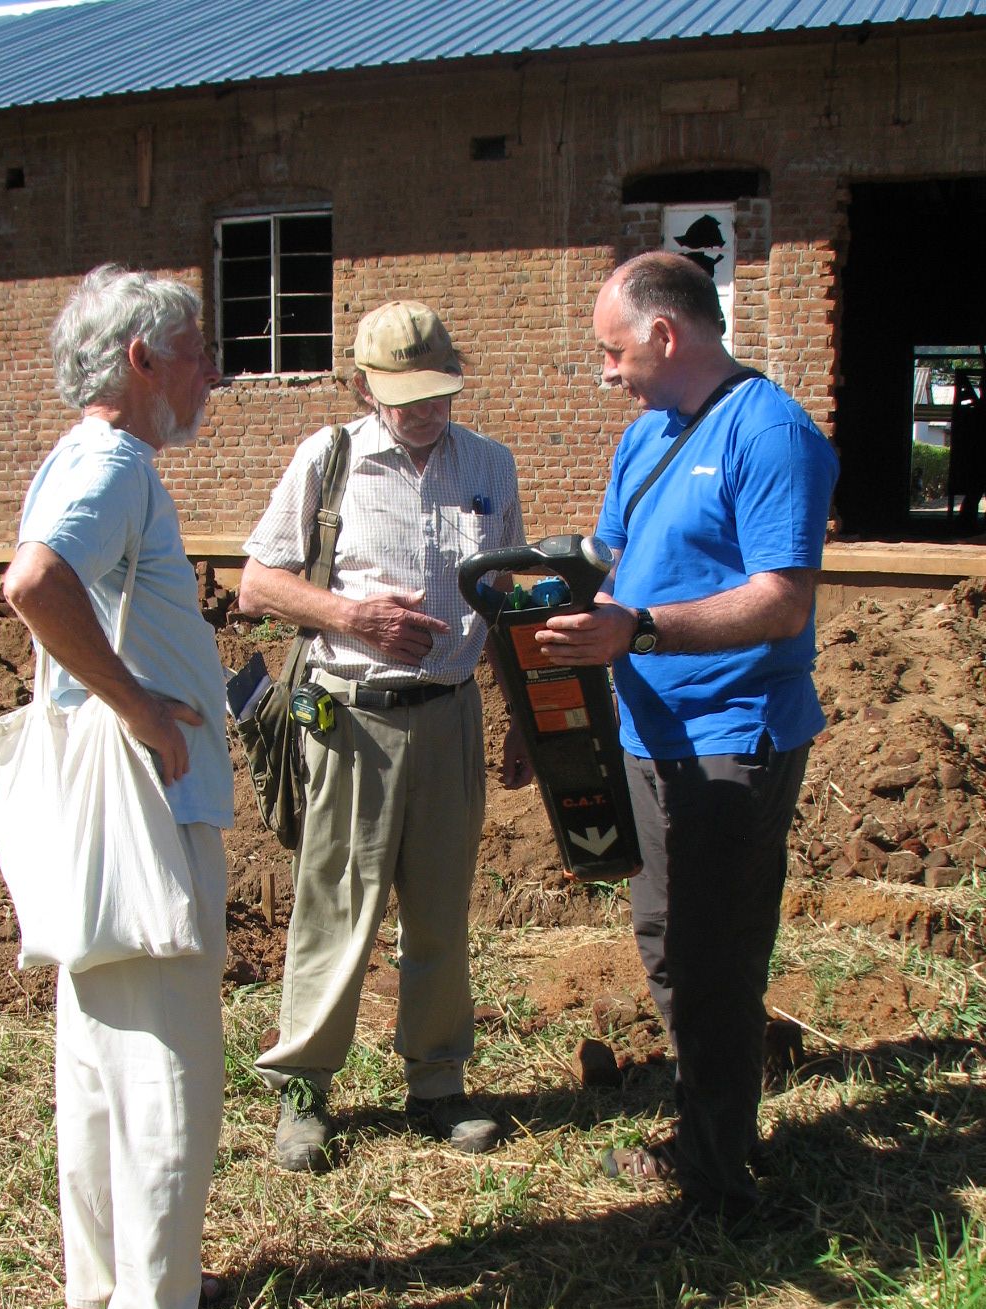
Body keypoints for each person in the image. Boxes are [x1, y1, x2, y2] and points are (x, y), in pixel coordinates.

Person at [2, 265, 278, 1309]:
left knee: (100, 1054)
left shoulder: (76, 457)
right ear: (142, 361)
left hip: (92, 807)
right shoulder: (115, 462)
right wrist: (140, 705)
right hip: (140, 801)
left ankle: (103, 1283)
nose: (213, 371)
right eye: (200, 350)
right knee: (167, 1070)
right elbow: (37, 583)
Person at [537, 252, 838, 1226]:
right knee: (666, 940)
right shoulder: (646, 436)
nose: (608, 369)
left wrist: (645, 629)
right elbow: (616, 560)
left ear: (666, 335)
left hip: (732, 734)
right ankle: (710, 1126)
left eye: (613, 350)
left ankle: (720, 1182)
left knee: (718, 952)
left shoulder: (771, 432)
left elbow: (782, 601)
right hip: (647, 728)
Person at [239, 299, 530, 1172]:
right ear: (362, 386)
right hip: (352, 723)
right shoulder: (328, 461)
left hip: (449, 717)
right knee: (335, 910)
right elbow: (256, 583)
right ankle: (305, 1090)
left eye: (438, 391)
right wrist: (350, 616)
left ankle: (438, 1085)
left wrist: (522, 715)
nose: (424, 409)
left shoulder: (488, 465)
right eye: (404, 395)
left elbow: (509, 596)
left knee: (440, 911)